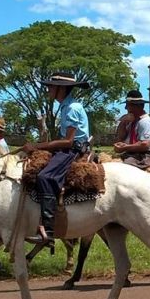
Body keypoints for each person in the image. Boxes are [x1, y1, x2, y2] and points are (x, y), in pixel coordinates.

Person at [21, 72, 91, 244]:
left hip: (72, 151)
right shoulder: (66, 106)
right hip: (66, 150)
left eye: (50, 87)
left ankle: (49, 231)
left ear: (61, 88)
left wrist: (37, 146)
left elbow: (68, 142)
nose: (48, 90)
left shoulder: (72, 108)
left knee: (45, 177)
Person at [113, 90, 150, 170]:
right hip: (129, 154)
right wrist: (123, 122)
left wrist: (125, 147)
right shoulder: (131, 121)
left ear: (137, 106)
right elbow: (120, 138)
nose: (125, 108)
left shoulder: (145, 122)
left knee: (122, 169)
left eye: (128, 105)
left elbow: (145, 145)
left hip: (141, 157)